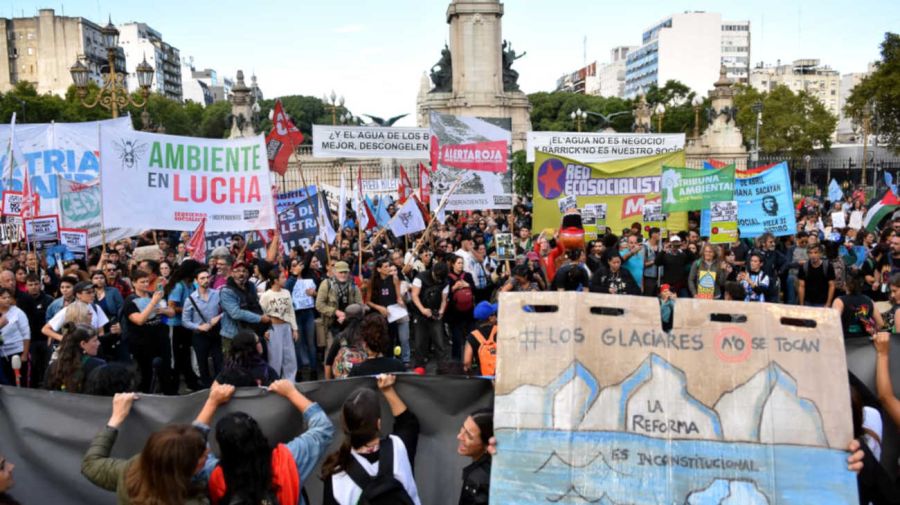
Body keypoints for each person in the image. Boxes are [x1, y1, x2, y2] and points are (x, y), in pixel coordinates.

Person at [198, 380, 335, 505]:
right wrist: (291, 393)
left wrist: (212, 402)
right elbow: (323, 428)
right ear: (260, 435)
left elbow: (188, 451)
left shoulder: (212, 474)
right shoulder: (287, 461)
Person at [80, 390, 212, 504]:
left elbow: (91, 465)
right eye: (203, 456)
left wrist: (115, 419)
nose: (208, 452)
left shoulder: (130, 472)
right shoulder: (193, 501)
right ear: (186, 467)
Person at [321, 374, 421, 505]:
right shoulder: (399, 447)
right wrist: (387, 390)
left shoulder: (336, 474)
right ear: (378, 424)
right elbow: (408, 423)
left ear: (344, 425)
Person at [121, 271, 171, 394]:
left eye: (147, 281)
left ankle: (168, 392)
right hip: (142, 343)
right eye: (142, 282)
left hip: (160, 339)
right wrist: (153, 303)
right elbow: (139, 320)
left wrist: (163, 310)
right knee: (146, 373)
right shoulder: (130, 301)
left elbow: (172, 312)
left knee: (165, 369)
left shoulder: (153, 295)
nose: (145, 284)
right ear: (134, 283)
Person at [164, 260, 204, 391]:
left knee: (186, 355)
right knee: (174, 357)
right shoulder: (179, 286)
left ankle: (191, 383)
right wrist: (189, 310)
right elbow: (171, 307)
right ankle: (172, 387)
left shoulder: (191, 285)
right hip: (174, 326)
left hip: (186, 326)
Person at [182, 268, 224, 388]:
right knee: (202, 362)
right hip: (200, 335)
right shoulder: (190, 299)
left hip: (216, 332)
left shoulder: (216, 294)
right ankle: (207, 387)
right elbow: (185, 321)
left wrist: (219, 317)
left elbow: (227, 310)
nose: (206, 280)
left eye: (207, 277)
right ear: (196, 281)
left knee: (219, 360)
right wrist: (199, 327)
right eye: (202, 278)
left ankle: (219, 385)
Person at [220, 261, 271, 355]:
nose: (241, 274)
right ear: (232, 273)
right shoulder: (226, 291)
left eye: (244, 271)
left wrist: (264, 327)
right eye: (237, 271)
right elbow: (235, 313)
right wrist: (260, 318)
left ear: (248, 273)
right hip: (233, 335)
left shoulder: (251, 286)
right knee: (234, 365)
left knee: (253, 364)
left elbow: (256, 306)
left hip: (251, 333)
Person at [260, 266, 299, 383]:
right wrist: (264, 330)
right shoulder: (266, 295)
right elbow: (261, 313)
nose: (285, 279)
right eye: (282, 277)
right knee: (275, 357)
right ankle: (274, 382)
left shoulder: (286, 292)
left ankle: (290, 381)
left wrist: (295, 329)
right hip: (273, 327)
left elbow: (291, 311)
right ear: (275, 280)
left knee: (290, 357)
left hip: (286, 327)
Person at [410, 260, 449, 373]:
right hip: (419, 312)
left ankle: (442, 366)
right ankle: (419, 365)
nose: (438, 281)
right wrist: (422, 309)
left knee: (439, 341)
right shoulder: (420, 277)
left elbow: (444, 299)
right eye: (437, 279)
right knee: (419, 341)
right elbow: (414, 295)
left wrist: (441, 311)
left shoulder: (445, 281)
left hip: (435, 312)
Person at [44, 323, 105, 393]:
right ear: (83, 344)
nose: (99, 343)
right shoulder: (98, 366)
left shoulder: (53, 367)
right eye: (95, 340)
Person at [317, 261, 363, 342]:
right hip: (331, 324)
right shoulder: (326, 284)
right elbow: (319, 305)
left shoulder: (353, 285)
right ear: (334, 272)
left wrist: (347, 316)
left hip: (350, 324)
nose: (343, 274)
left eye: (345, 272)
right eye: (340, 272)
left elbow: (360, 305)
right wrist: (335, 312)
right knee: (334, 350)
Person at [288, 257, 318, 381]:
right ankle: (299, 370)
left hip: (308, 312)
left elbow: (318, 294)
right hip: (295, 315)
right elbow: (285, 290)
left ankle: (314, 369)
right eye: (294, 265)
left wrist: (314, 294)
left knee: (311, 343)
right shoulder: (289, 281)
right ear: (290, 268)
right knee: (297, 344)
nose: (297, 267)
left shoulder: (309, 279)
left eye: (299, 264)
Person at [20, 274, 53, 388]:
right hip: (30, 339)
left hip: (46, 339)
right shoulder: (22, 300)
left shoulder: (49, 300)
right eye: (30, 284)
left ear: (40, 285)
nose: (33, 287)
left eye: (36, 284)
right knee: (33, 365)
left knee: (46, 364)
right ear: (26, 286)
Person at [457, 408, 493, 505]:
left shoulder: (478, 480)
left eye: (469, 436)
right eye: (463, 428)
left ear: (487, 445)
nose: (459, 436)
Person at [833, 271, 882, 339]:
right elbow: (880, 323)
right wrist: (873, 331)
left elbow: (833, 323)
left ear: (845, 284)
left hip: (846, 342)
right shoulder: (869, 300)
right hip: (865, 342)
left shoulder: (839, 301)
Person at [325, 304, 367, 379]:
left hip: (344, 383)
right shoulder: (367, 335)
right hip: (364, 380)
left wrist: (329, 385)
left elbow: (328, 363)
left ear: (346, 318)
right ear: (362, 317)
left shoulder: (340, 338)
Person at [446, 255, 476, 362]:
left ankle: (472, 359)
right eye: (458, 263)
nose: (461, 265)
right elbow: (445, 295)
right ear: (453, 264)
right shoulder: (448, 277)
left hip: (469, 312)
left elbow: (475, 290)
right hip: (455, 313)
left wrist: (467, 284)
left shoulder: (467, 275)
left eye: (462, 263)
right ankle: (456, 361)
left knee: (471, 337)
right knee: (457, 339)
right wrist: (454, 288)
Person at [0, 288, 30, 386]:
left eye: (9, 297)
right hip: (2, 354)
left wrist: (25, 354)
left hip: (17, 351)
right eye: (3, 298)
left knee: (19, 382)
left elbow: (26, 334)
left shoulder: (18, 312)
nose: (7, 300)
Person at [464, 302, 498, 376]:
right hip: (502, 375)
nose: (496, 316)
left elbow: (467, 362)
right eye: (494, 314)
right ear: (490, 318)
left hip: (483, 378)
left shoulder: (472, 336)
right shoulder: (501, 331)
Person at [798, 243, 836, 307]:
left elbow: (832, 285)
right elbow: (801, 286)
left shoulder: (828, 266)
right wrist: (801, 304)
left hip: (822, 302)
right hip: (808, 302)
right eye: (810, 253)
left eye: (816, 252)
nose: (813, 255)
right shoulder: (804, 267)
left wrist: (828, 303)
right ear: (808, 254)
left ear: (820, 254)